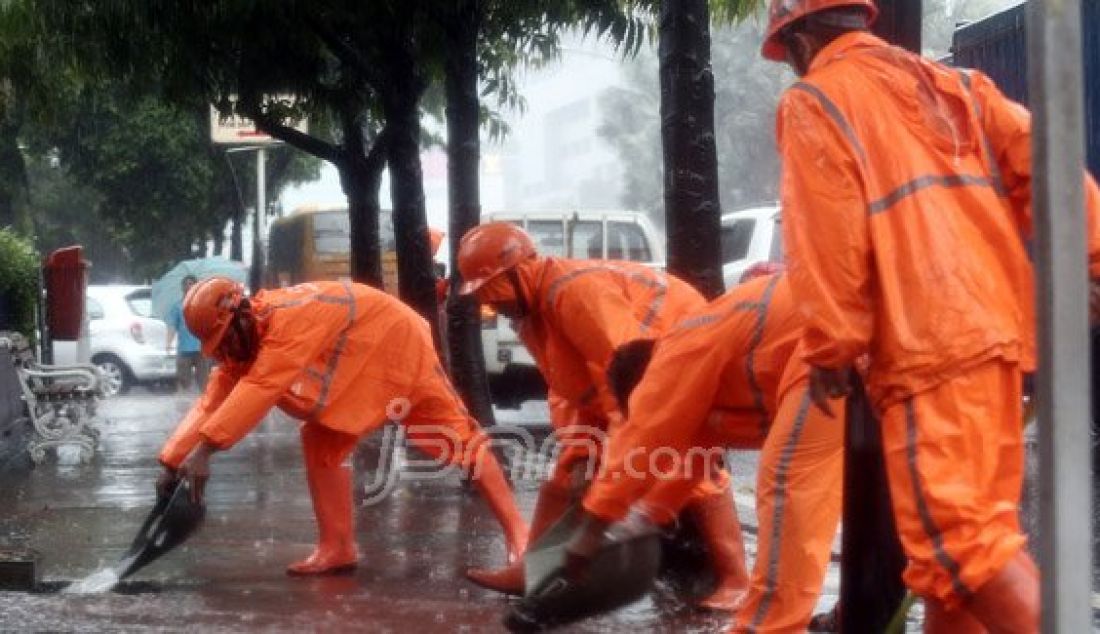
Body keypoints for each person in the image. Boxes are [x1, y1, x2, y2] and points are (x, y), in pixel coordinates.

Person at [761, 1, 1100, 630]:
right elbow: (1044, 161)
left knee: (963, 547)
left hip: (926, 346)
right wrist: (1091, 258)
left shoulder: (816, 100)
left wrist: (831, 343)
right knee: (952, 567)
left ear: (799, 37)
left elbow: (826, 231)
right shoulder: (955, 84)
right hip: (995, 338)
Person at [456, 222, 747, 610]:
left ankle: (737, 579)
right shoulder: (532, 312)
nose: (489, 303)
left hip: (670, 365)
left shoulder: (575, 292)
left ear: (518, 271)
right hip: (631, 375)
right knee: (566, 469)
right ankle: (533, 570)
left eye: (491, 291)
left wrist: (625, 435)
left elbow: (628, 369)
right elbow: (564, 387)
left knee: (687, 465)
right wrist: (576, 449)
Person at [156, 277, 527, 576]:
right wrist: (171, 462)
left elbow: (261, 386)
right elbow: (213, 399)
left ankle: (519, 536)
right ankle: (337, 547)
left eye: (223, 342)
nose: (223, 353)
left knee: (459, 439)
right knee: (320, 442)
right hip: (355, 362)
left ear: (238, 315)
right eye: (216, 348)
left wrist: (204, 451)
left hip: (399, 345)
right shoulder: (245, 338)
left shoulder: (290, 320)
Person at [567, 272, 845, 633]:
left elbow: (638, 442)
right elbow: (690, 460)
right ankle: (866, 611)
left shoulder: (676, 353)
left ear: (646, 384)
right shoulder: (703, 384)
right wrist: (643, 517)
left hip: (831, 341)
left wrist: (591, 530)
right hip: (853, 330)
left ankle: (767, 628)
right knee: (885, 496)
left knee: (789, 488)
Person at [165, 275, 208, 391]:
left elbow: (209, 324)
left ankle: (204, 406)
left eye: (192, 284)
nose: (189, 286)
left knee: (204, 384)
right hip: (184, 349)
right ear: (182, 288)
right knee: (183, 382)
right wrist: (168, 343)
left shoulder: (203, 305)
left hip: (201, 349)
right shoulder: (177, 307)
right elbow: (172, 326)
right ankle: (185, 406)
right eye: (186, 284)